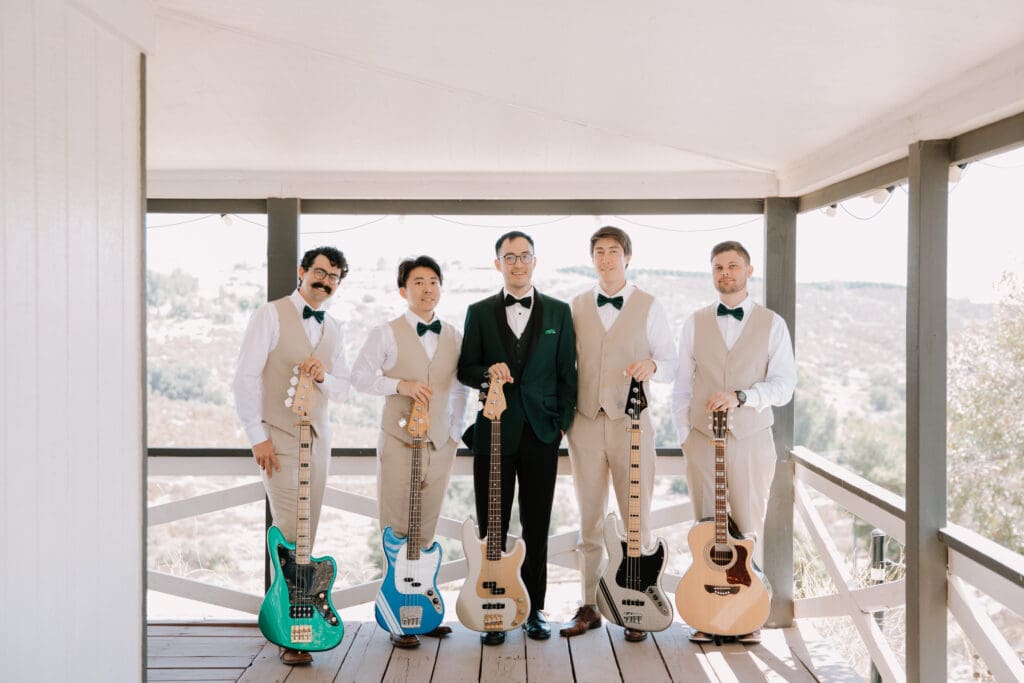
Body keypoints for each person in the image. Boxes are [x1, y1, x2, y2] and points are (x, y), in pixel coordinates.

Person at [671, 240, 796, 645]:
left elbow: (784, 385)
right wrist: (684, 435)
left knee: (748, 529)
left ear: (748, 270)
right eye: (718, 267)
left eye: (733, 266)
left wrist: (743, 396)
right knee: (705, 528)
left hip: (751, 439)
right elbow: (681, 385)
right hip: (701, 440)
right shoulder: (694, 322)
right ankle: (707, 615)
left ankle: (746, 618)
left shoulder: (772, 324)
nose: (725, 273)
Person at [231, 246, 352, 666]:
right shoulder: (270, 314)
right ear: (302, 271)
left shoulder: (334, 327)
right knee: (287, 532)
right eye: (320, 272)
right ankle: (287, 631)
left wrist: (325, 376)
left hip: (318, 439)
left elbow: (343, 389)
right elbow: (245, 377)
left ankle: (299, 624)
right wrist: (256, 437)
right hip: (278, 437)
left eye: (334, 277)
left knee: (307, 532)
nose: (325, 281)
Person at [457, 230, 577, 645]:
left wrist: (560, 425)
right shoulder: (478, 312)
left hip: (542, 433)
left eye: (524, 256)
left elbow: (567, 374)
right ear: (498, 264)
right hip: (493, 430)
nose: (518, 263)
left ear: (534, 261)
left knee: (536, 524)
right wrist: (487, 372)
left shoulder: (559, 312)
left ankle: (534, 609)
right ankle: (493, 606)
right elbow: (465, 368)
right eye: (509, 257)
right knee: (492, 523)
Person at [560, 226, 677, 643]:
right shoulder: (576, 305)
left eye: (613, 251)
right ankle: (589, 605)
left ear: (628, 257)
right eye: (599, 251)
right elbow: (563, 364)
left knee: (635, 517)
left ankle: (635, 603)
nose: (606, 258)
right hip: (585, 422)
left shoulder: (650, 305)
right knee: (589, 519)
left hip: (633, 424)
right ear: (592, 258)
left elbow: (672, 362)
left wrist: (653, 366)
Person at [350, 255, 469, 648]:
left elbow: (460, 388)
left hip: (440, 443)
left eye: (433, 281)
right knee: (397, 526)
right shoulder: (385, 332)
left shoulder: (453, 335)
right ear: (403, 290)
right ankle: (396, 616)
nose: (427, 288)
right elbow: (359, 378)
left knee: (426, 530)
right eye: (418, 281)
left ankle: (423, 610)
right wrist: (399, 386)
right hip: (400, 440)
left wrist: (454, 433)